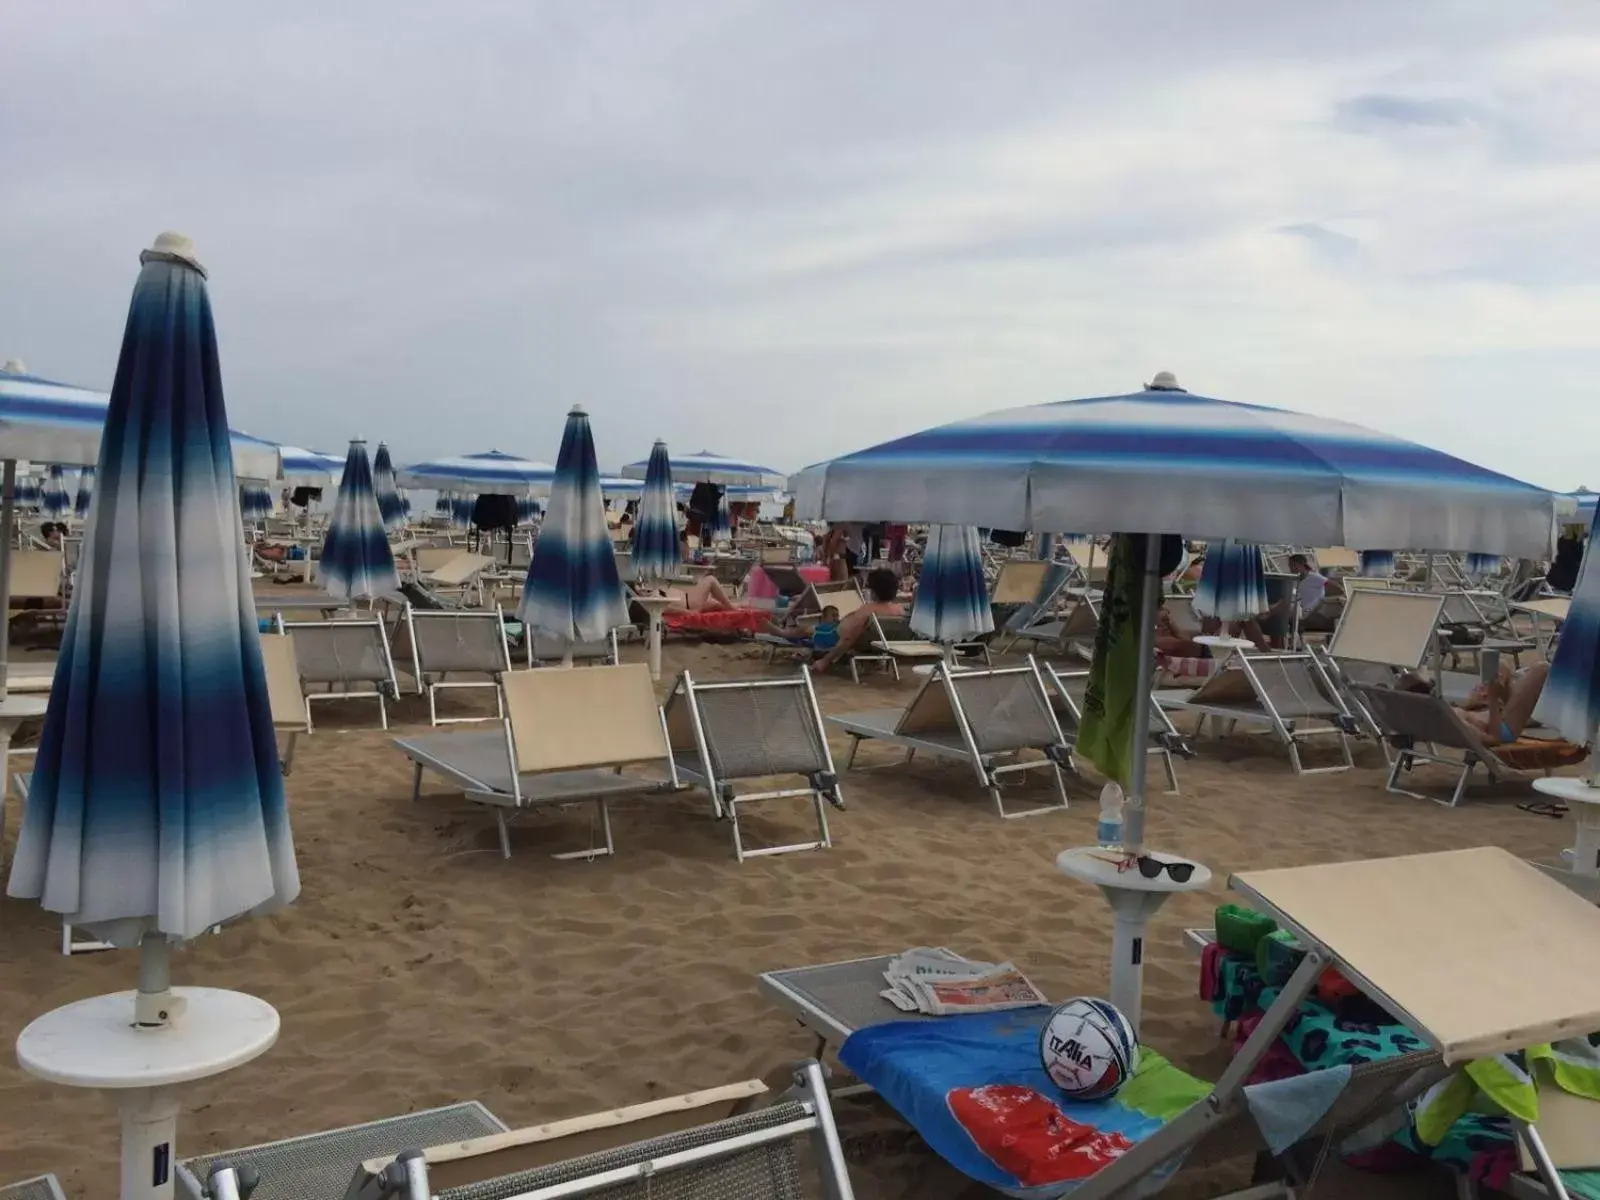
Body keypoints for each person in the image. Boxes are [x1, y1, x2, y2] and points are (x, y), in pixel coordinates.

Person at [812, 568, 903, 674]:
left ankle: (788, 633)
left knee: (806, 631)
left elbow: (848, 638)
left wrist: (824, 661)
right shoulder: (899, 611)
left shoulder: (868, 610)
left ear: (873, 591)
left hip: (835, 637)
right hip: (881, 643)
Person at [1456, 660, 1550, 745]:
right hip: (1500, 728)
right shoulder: (1458, 724)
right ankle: (1526, 715)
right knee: (1541, 669)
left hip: (1486, 710)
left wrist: (1477, 698)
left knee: (1500, 666)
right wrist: (1494, 698)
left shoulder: (1449, 714)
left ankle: (1526, 716)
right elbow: (1493, 739)